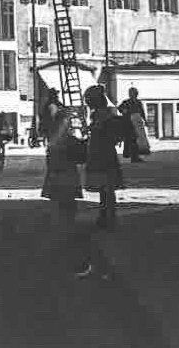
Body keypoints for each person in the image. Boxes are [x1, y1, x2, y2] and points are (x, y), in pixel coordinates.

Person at [40, 91, 89, 275]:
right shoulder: (66, 141)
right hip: (66, 179)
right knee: (68, 218)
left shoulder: (54, 142)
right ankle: (69, 259)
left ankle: (59, 257)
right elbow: (82, 156)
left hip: (55, 180)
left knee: (61, 217)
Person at [84, 85, 126, 230]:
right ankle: (106, 215)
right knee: (106, 186)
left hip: (103, 153)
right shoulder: (103, 113)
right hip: (103, 152)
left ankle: (108, 216)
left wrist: (95, 130)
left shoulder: (105, 114)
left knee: (106, 186)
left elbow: (108, 134)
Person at [119, 87, 149, 162]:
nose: (133, 95)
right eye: (131, 93)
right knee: (132, 139)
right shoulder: (126, 102)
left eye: (134, 93)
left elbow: (142, 112)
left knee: (139, 138)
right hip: (129, 122)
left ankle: (136, 156)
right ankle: (133, 156)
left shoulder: (138, 102)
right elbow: (120, 108)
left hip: (138, 122)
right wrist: (124, 111)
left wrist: (145, 120)